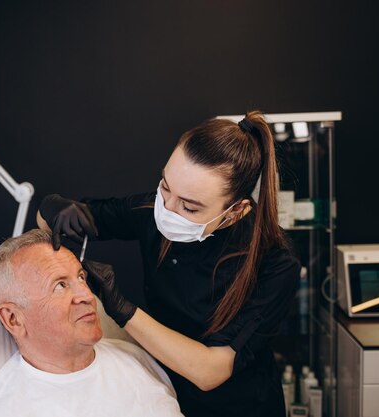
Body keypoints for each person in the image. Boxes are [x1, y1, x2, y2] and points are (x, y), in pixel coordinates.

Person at [37, 111, 301, 417]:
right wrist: (53, 206)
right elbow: (55, 221)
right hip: (164, 395)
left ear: (235, 209)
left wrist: (121, 308)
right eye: (165, 186)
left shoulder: (275, 263)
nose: (167, 210)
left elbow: (210, 371)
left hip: (239, 406)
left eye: (189, 207)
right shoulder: (155, 208)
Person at [0, 228, 184, 417]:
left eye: (81, 278)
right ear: (14, 319)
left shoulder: (134, 357)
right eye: (59, 286)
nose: (87, 295)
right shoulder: (9, 409)